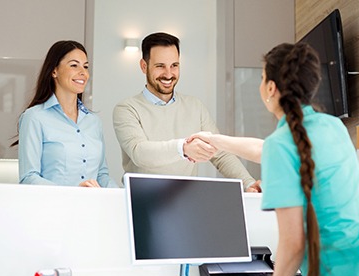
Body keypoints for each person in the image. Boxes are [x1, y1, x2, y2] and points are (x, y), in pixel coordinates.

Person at [189, 42, 359, 276]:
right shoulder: (333, 126)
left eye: (263, 77)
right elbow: (265, 149)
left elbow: (293, 242)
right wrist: (216, 140)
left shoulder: (283, 144)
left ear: (271, 88)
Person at [112, 32, 261, 192]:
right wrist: (183, 148)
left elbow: (220, 154)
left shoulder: (195, 106)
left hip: (185, 200)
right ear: (144, 66)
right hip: (141, 200)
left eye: (174, 65)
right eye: (160, 66)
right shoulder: (127, 109)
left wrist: (248, 183)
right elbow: (139, 153)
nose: (168, 74)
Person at [11, 40, 117, 188]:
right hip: (54, 208)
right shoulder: (34, 117)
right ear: (54, 71)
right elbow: (29, 177)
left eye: (85, 66)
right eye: (74, 65)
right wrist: (72, 192)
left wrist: (119, 195)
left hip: (91, 208)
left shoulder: (93, 121)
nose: (83, 72)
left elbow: (101, 175)